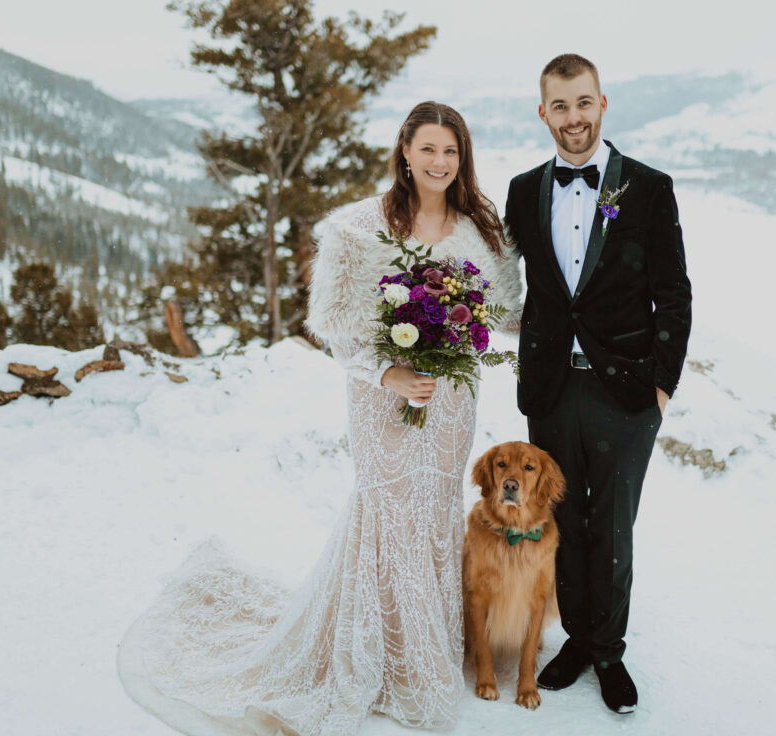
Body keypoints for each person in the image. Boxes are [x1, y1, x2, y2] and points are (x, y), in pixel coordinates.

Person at [116, 101, 522, 736]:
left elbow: (502, 312)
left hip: (450, 404)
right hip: (382, 400)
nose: (440, 162)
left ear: (462, 159)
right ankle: (380, 656)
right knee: (388, 512)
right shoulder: (360, 229)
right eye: (429, 149)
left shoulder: (481, 229)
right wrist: (386, 372)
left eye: (452, 152)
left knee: (437, 507)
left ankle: (428, 649)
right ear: (405, 153)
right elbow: (333, 325)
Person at [504, 53, 692, 715]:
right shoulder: (524, 190)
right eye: (560, 105)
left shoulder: (647, 187)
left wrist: (661, 388)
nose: (573, 117)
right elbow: (506, 279)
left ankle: (609, 652)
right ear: (543, 112)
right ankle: (578, 640)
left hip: (625, 391)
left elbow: (673, 293)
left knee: (613, 525)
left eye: (583, 103)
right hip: (552, 388)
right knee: (562, 521)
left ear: (602, 104)